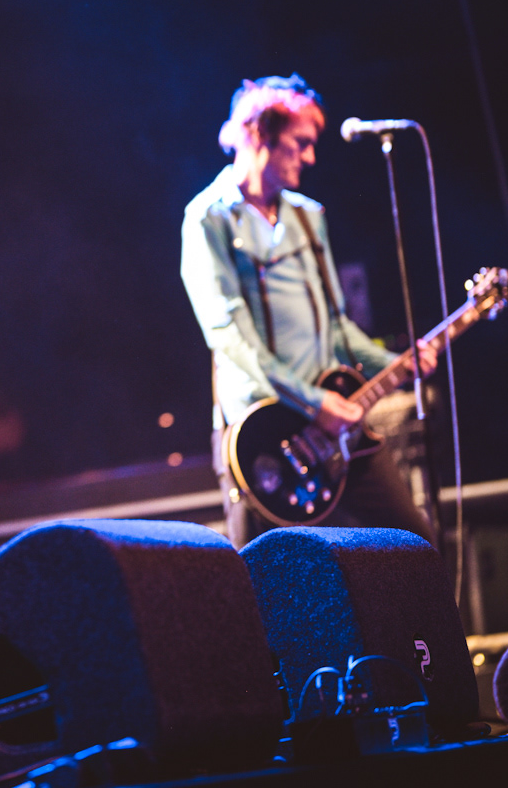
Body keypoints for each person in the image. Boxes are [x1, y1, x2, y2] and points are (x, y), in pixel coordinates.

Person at [179, 74, 436, 547]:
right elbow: (229, 335)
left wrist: (395, 363)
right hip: (263, 433)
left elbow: (336, 326)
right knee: (271, 588)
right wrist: (311, 401)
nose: (311, 157)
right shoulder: (207, 218)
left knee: (416, 543)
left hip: (336, 424)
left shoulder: (307, 215)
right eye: (300, 143)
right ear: (260, 135)